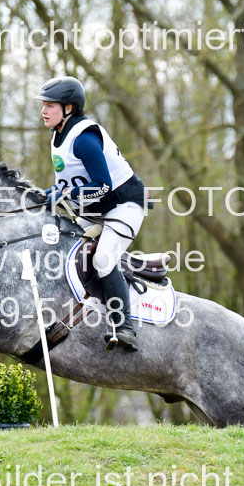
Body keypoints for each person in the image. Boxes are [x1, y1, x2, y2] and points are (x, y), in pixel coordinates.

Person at [35, 76, 150, 352]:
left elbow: (102, 185)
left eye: (50, 105)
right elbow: (67, 184)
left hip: (124, 205)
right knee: (62, 246)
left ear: (69, 108)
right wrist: (43, 196)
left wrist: (66, 195)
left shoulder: (84, 139)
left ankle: (123, 327)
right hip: (95, 210)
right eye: (44, 105)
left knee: (103, 258)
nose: (43, 111)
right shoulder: (59, 136)